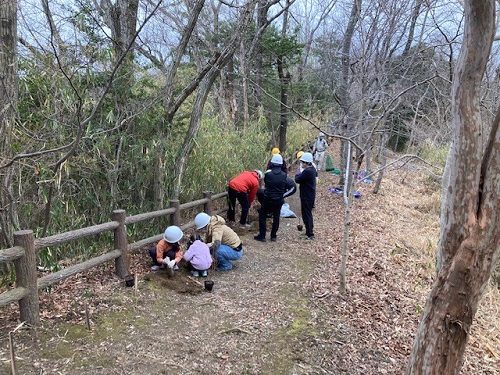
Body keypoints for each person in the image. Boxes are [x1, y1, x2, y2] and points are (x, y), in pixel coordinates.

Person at [254, 154, 296, 242]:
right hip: (279, 199)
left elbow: (266, 183)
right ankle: (273, 236)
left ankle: (262, 235)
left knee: (262, 215)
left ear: (272, 163)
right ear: (281, 164)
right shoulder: (284, 175)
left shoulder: (268, 174)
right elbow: (289, 185)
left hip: (268, 198)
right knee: (276, 216)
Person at [295, 152, 317, 240]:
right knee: (308, 213)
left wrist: (297, 174)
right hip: (309, 195)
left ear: (307, 163)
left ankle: (309, 233)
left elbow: (297, 179)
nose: (302, 164)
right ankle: (309, 231)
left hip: (306, 196)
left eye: (303, 162)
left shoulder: (308, 171)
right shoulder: (312, 170)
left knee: (306, 214)